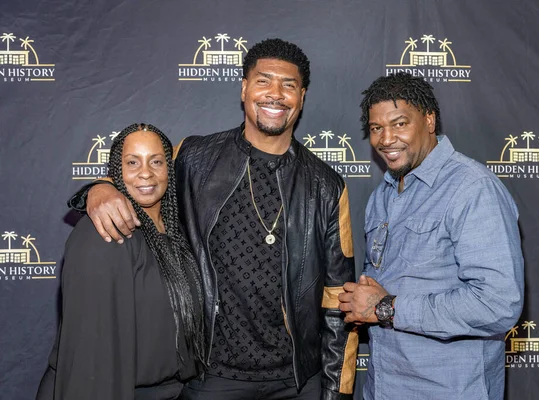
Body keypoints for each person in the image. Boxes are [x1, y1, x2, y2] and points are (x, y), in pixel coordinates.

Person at [69, 39, 358, 400]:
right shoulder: (195, 156)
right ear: (244, 89)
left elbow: (339, 303)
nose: (275, 94)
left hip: (296, 381)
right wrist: (98, 189)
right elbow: (141, 177)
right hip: (211, 376)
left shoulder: (326, 186)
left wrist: (336, 392)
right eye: (263, 80)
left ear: (302, 96)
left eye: (288, 85)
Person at [338, 72, 525, 400]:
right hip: (383, 387)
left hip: (448, 390)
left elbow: (498, 303)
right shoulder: (382, 196)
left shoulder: (472, 189)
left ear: (429, 119)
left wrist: (386, 308)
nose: (385, 139)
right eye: (376, 128)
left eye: (399, 124)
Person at [37, 123, 206, 400]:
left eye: (156, 161)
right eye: (132, 162)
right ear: (115, 172)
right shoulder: (105, 231)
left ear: (169, 169)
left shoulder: (180, 230)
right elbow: (91, 354)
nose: (145, 173)